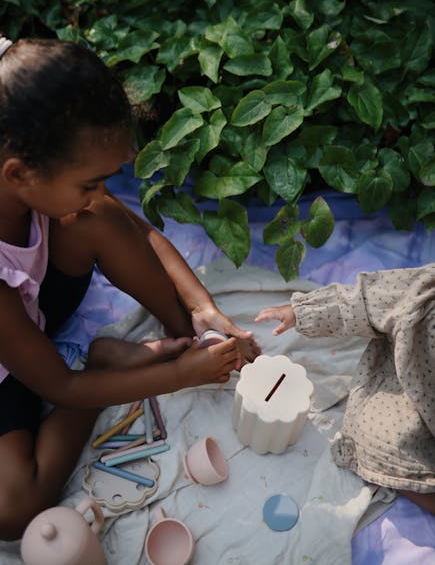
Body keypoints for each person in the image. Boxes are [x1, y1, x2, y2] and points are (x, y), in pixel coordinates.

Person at [0, 35, 260, 540]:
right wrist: (178, 376)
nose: (101, 193)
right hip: (11, 361)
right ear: (19, 174)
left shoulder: (19, 128)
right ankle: (106, 366)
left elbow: (130, 225)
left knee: (96, 219)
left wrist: (200, 306)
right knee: (13, 510)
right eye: (89, 183)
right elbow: (59, 386)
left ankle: (190, 335)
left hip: (31, 302)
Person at [255, 265, 435, 515]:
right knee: (381, 442)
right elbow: (368, 299)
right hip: (403, 399)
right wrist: (300, 313)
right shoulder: (425, 293)